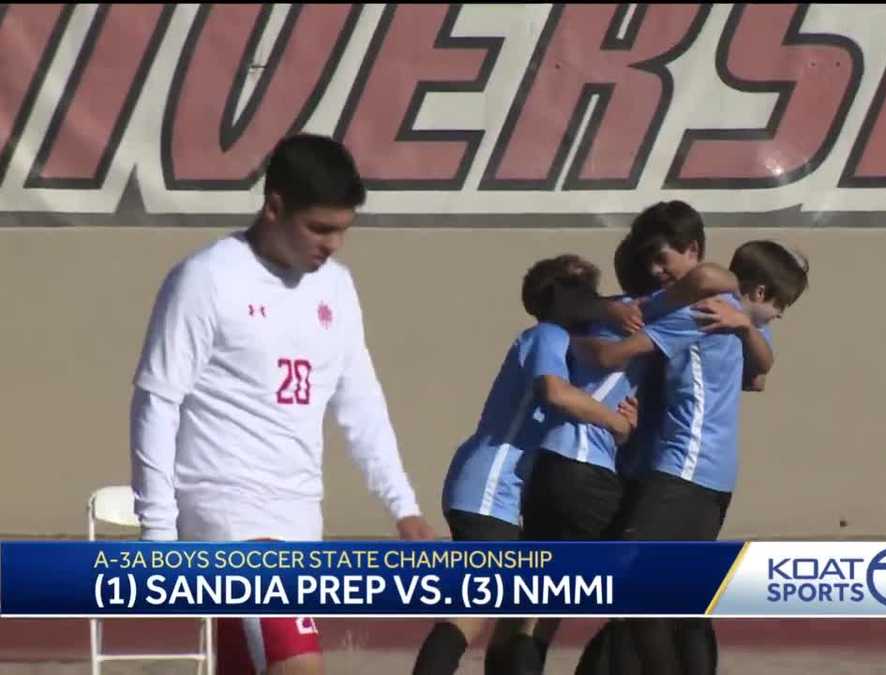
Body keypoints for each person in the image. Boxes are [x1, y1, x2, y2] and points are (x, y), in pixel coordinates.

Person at [129, 134, 435, 675]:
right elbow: (157, 401)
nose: (333, 244)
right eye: (319, 228)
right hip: (226, 512)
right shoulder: (207, 280)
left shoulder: (336, 289)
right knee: (299, 666)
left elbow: (360, 400)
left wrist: (402, 504)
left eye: (343, 230)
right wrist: (158, 533)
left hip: (299, 514)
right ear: (274, 207)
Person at [573, 203, 808, 675]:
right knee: (682, 602)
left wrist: (576, 339)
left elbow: (616, 354)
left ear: (694, 250)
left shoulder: (699, 310)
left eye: (663, 261)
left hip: (683, 471)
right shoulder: (740, 319)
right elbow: (760, 374)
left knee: (635, 585)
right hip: (711, 478)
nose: (657, 274)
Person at [414, 254, 638, 675]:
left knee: (511, 608)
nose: (595, 302)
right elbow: (554, 392)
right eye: (585, 293)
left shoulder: (562, 341)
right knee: (474, 609)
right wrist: (617, 425)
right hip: (489, 485)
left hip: (498, 488)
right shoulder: (547, 335)